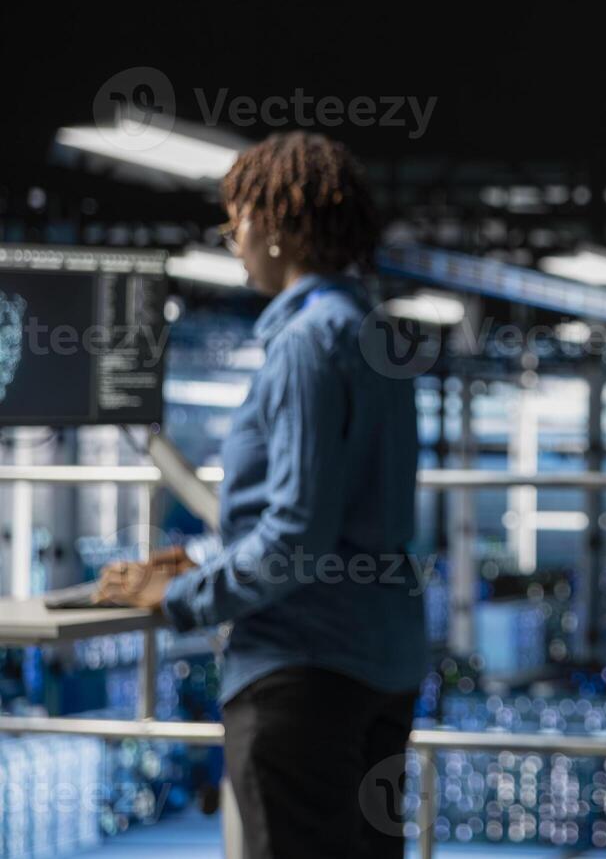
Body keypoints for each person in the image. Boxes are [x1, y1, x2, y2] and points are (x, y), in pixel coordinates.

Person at [99, 131, 427, 859]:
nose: (232, 237)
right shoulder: (376, 336)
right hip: (382, 659)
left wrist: (179, 598)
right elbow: (346, 517)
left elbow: (298, 536)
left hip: (303, 673)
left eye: (238, 219)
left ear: (279, 227)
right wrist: (200, 558)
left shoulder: (307, 344)